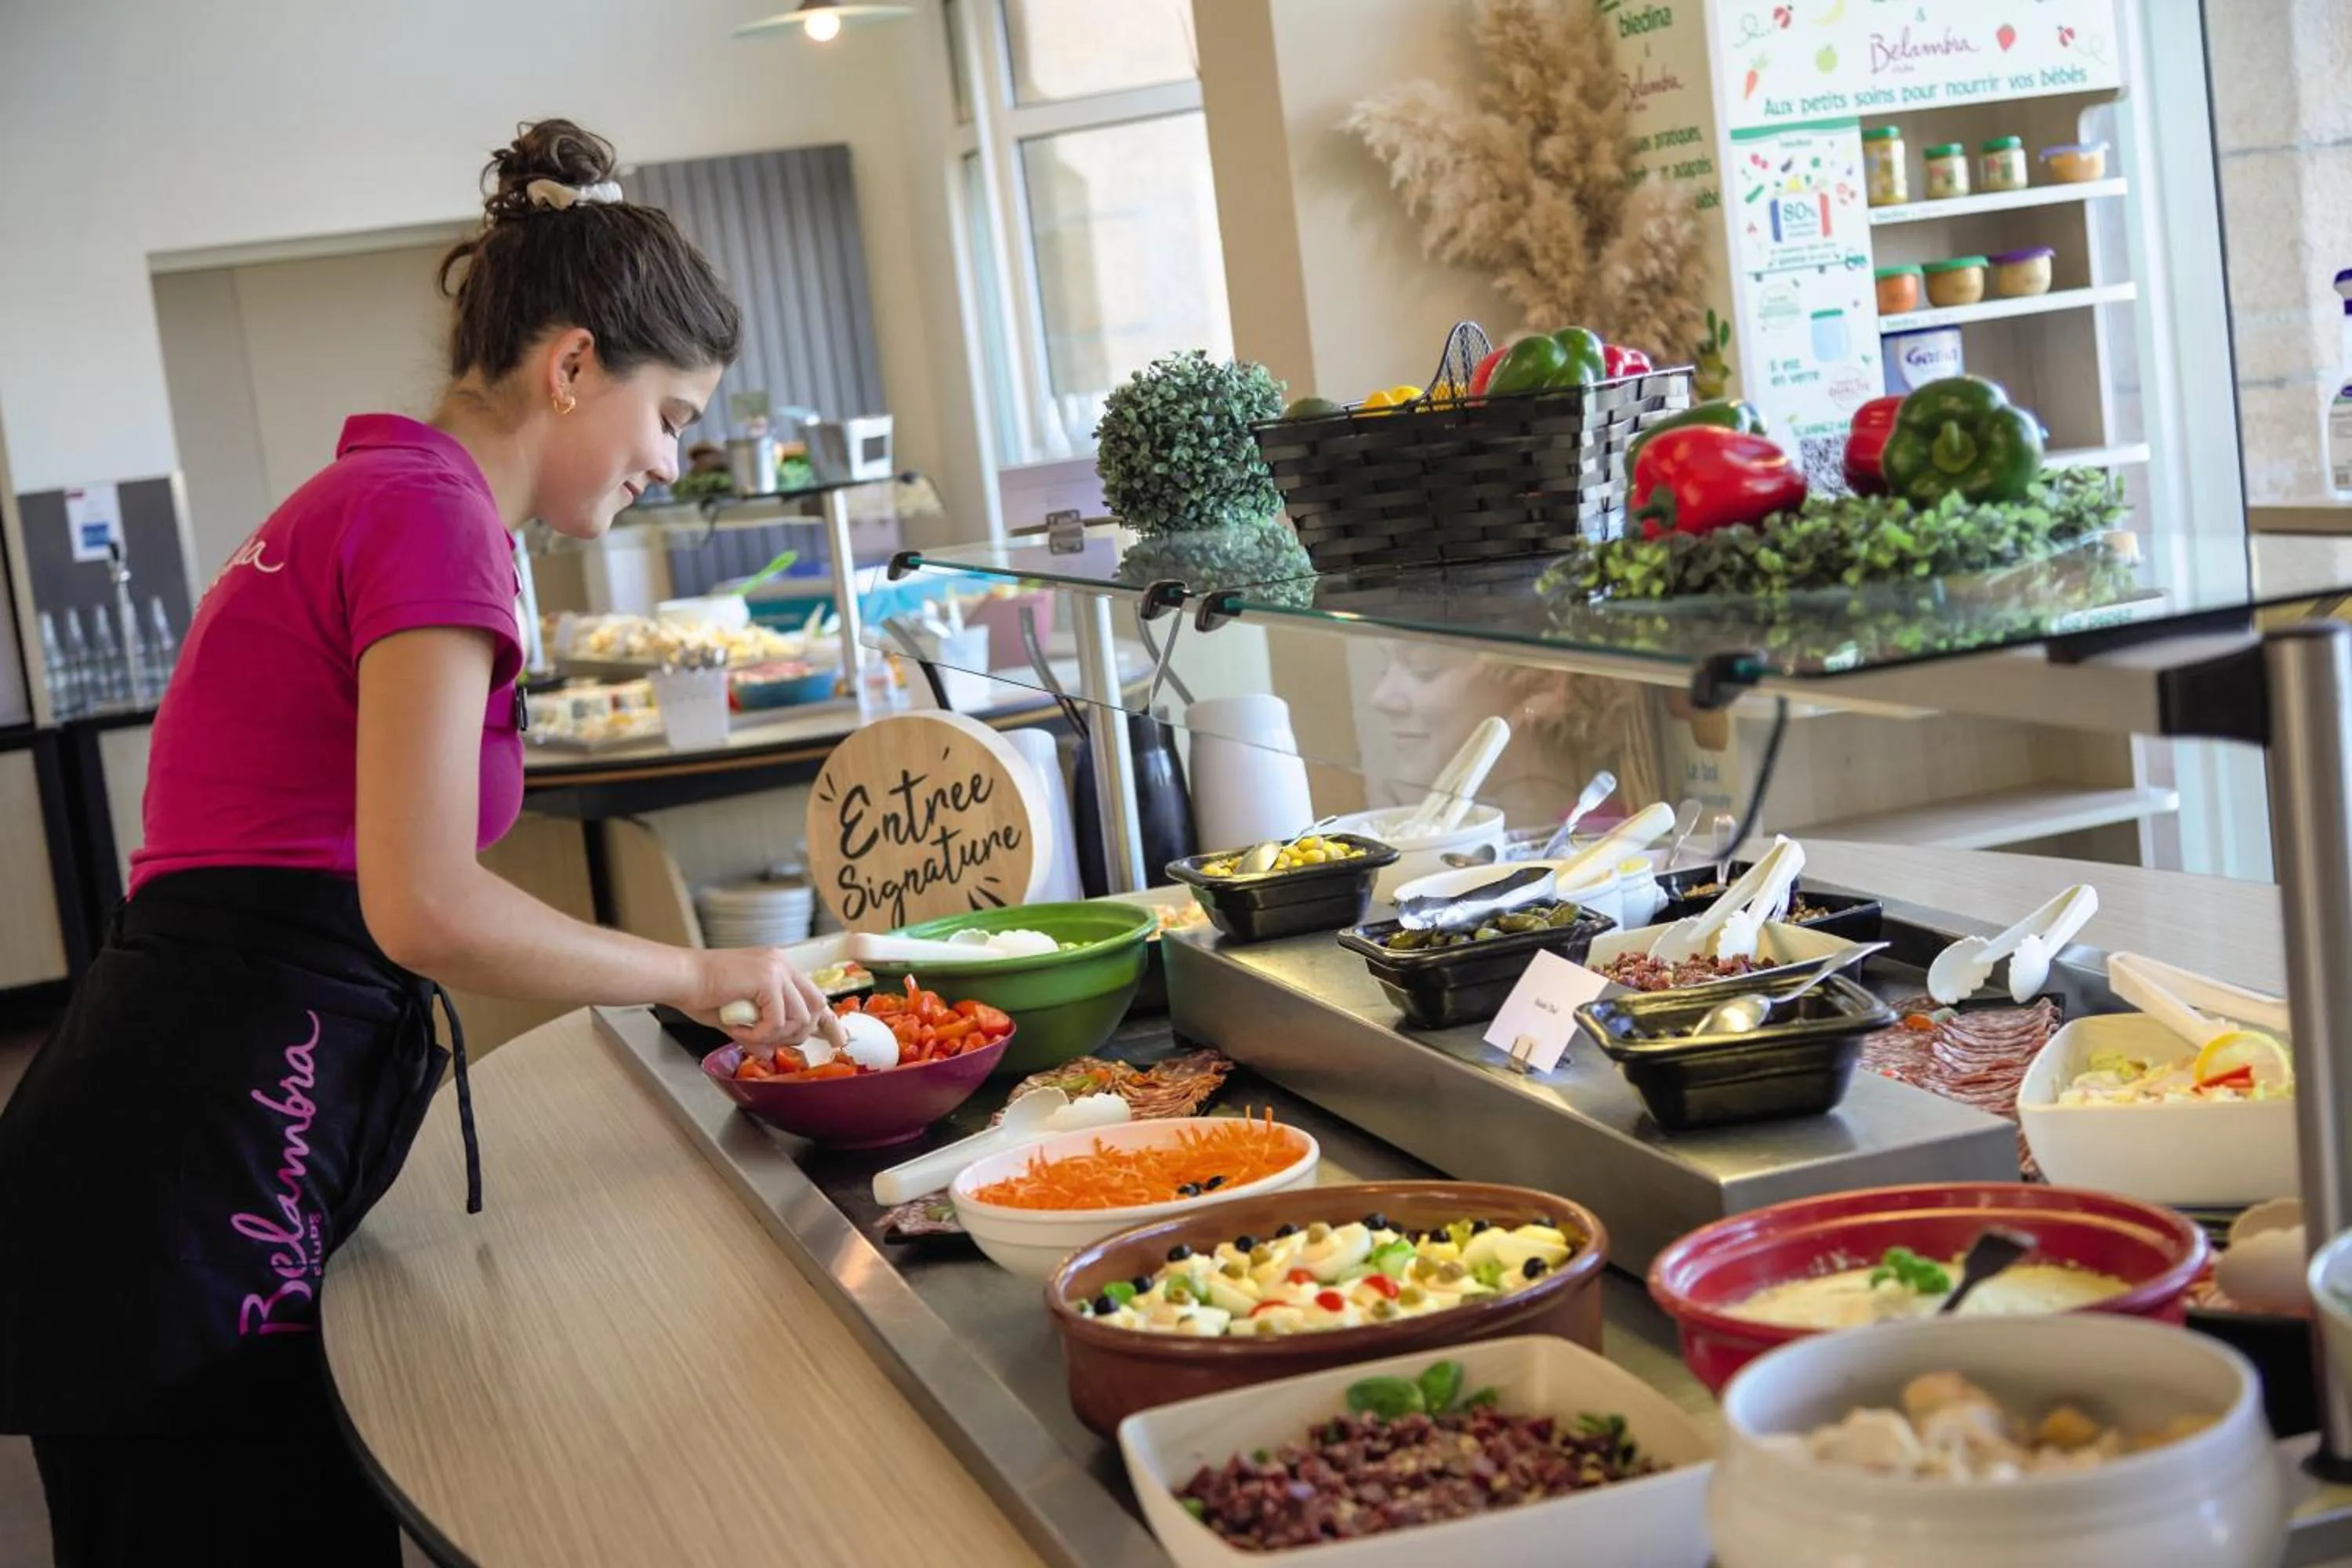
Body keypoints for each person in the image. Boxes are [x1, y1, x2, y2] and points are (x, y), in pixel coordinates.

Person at [0, 118, 837, 1566]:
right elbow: (424, 905)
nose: (669, 461)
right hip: (201, 1136)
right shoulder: (432, 521)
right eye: (674, 417)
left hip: (169, 1097)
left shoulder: (375, 496)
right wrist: (694, 975)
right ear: (573, 365)